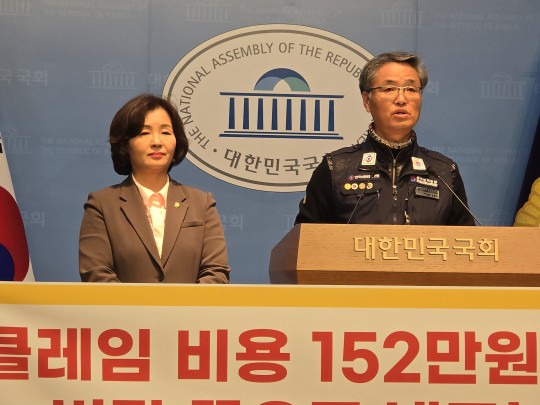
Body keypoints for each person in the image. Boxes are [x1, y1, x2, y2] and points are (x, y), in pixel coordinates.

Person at [295, 51, 476, 226]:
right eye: (389, 89)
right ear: (367, 101)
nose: (401, 99)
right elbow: (305, 240)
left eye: (411, 89)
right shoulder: (335, 168)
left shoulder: (444, 172)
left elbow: (466, 242)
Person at [79, 94, 230, 283]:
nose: (157, 142)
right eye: (144, 133)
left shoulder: (202, 203)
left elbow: (216, 273)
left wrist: (184, 304)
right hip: (122, 305)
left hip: (192, 304)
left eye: (166, 132)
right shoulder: (101, 205)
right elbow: (97, 274)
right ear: (125, 144)